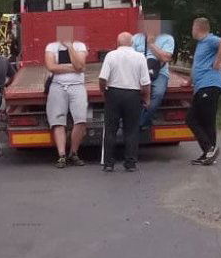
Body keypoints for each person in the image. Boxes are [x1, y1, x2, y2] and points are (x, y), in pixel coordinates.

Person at [99, 32, 152, 172]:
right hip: (133, 95)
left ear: (117, 43)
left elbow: (102, 78)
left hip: (114, 94)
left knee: (110, 130)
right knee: (131, 130)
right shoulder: (140, 57)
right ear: (132, 43)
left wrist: (103, 91)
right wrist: (146, 98)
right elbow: (146, 82)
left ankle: (109, 163)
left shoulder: (110, 55)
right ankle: (130, 163)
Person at [188, 17, 221, 166]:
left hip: (210, 85)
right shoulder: (201, 44)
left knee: (193, 119)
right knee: (205, 121)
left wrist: (218, 61)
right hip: (202, 85)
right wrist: (189, 82)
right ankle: (208, 153)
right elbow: (198, 66)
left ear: (199, 28)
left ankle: (209, 149)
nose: (191, 30)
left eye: (193, 27)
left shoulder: (209, 40)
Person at [45, 25, 89, 168]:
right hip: (57, 87)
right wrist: (73, 68)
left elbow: (80, 64)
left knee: (81, 120)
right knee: (58, 121)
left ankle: (74, 153)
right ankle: (62, 155)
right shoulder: (51, 46)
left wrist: (70, 47)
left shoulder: (80, 46)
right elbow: (51, 67)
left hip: (77, 86)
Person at [132, 17, 175, 130]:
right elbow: (129, 57)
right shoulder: (136, 38)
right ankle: (130, 119)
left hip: (159, 72)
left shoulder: (167, 38)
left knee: (158, 93)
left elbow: (165, 58)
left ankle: (141, 122)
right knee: (131, 93)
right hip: (139, 71)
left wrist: (151, 44)